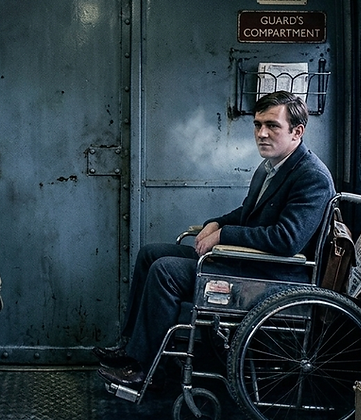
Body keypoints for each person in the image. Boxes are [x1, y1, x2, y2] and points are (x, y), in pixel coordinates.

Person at [95, 90, 335, 389]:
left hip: (273, 276)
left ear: (297, 131)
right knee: (150, 254)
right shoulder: (272, 167)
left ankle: (143, 367)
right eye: (258, 124)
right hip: (251, 264)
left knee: (166, 271)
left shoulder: (311, 176)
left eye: (272, 125)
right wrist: (217, 222)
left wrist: (224, 234)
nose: (261, 133)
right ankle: (132, 347)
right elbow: (248, 213)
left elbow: (287, 239)